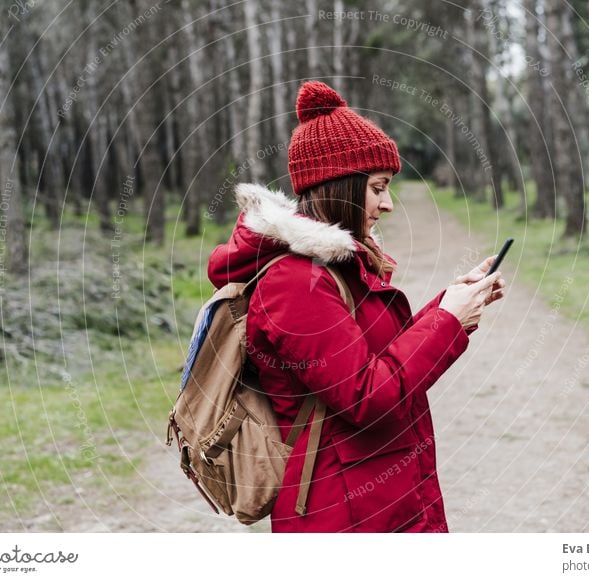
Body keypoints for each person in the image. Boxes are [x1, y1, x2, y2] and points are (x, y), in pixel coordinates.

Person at [207, 81, 506, 533]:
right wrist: (446, 323)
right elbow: (367, 396)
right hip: (344, 511)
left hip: (376, 497)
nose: (387, 204)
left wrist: (448, 306)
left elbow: (370, 357)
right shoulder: (296, 283)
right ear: (340, 186)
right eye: (378, 188)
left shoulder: (335, 268)